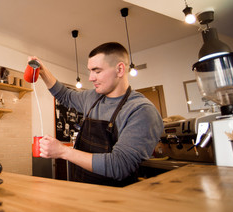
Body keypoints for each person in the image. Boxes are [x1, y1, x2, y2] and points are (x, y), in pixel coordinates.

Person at [31, 42, 163, 187]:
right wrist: (43, 72)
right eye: (90, 71)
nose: (91, 78)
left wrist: (63, 151)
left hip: (114, 198)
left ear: (119, 69)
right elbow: (65, 95)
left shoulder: (141, 111)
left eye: (97, 71)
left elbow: (119, 165)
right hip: (81, 188)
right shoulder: (92, 97)